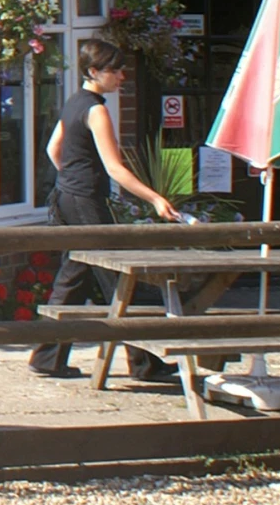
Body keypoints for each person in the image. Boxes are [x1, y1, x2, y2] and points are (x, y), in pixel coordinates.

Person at [30, 39, 182, 381]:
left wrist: (70, 179)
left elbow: (53, 148)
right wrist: (155, 199)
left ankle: (47, 357)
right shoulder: (96, 110)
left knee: (74, 278)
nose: (122, 76)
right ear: (93, 72)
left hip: (69, 198)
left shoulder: (74, 103)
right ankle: (146, 363)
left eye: (121, 69)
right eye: (114, 70)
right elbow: (115, 168)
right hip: (85, 202)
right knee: (121, 276)